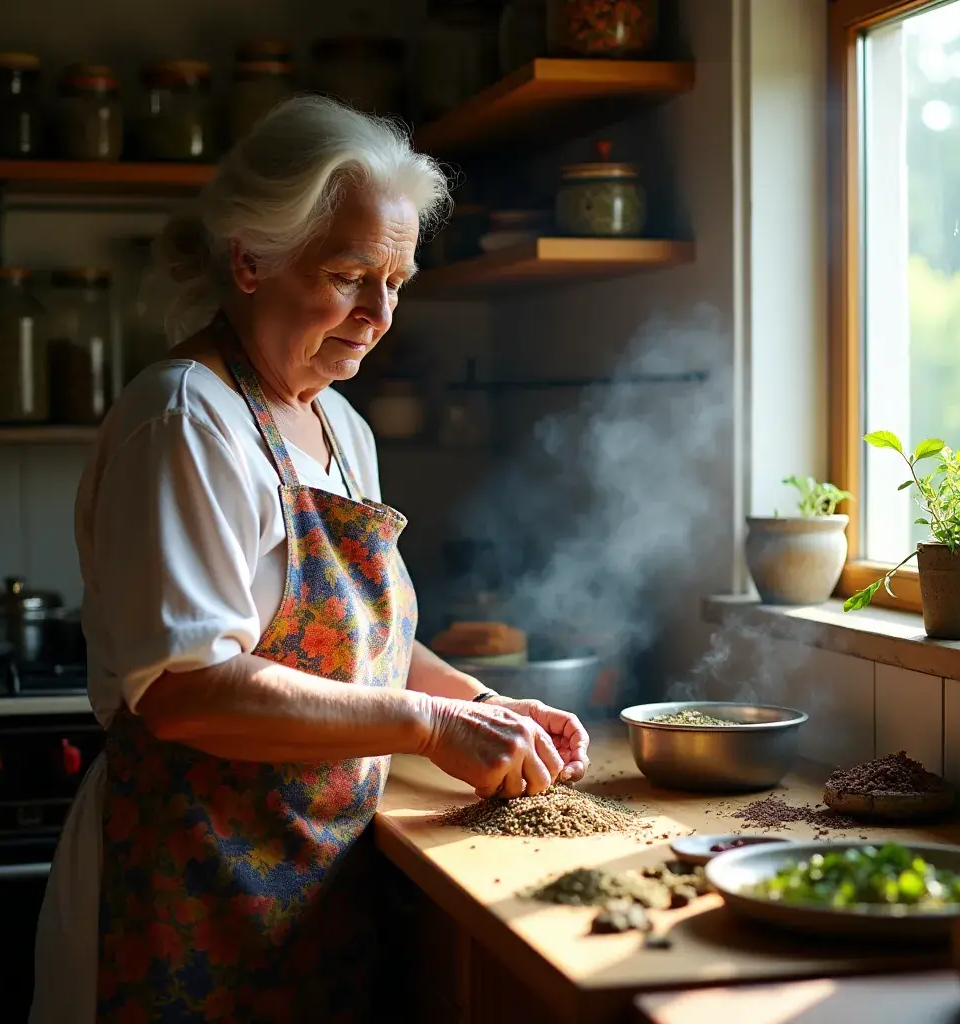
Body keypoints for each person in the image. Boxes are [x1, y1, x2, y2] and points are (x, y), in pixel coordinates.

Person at [29, 95, 590, 1023]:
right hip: (184, 882)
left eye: (397, 281)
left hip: (308, 871)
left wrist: (482, 706)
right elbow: (184, 690)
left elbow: (361, 643)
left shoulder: (341, 423)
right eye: (349, 276)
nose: (379, 314)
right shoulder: (187, 421)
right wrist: (429, 727)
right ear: (250, 260)